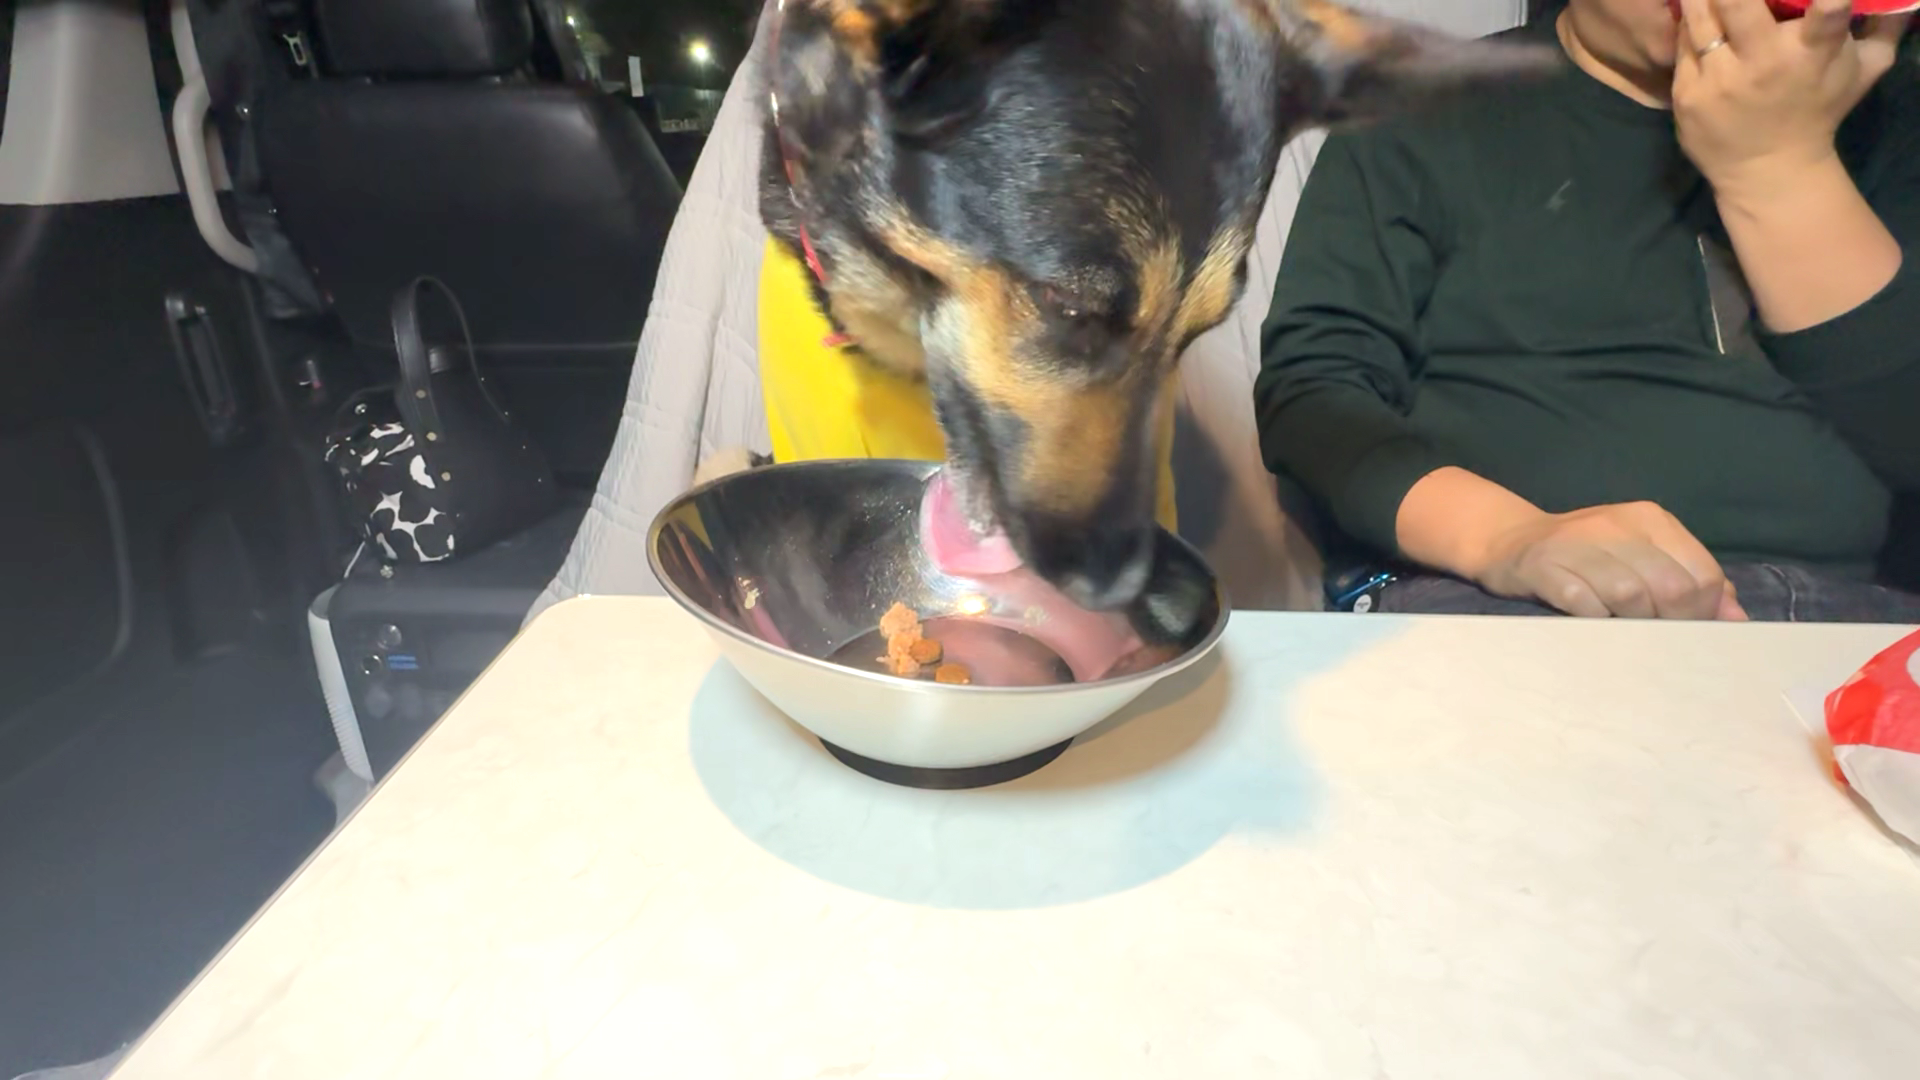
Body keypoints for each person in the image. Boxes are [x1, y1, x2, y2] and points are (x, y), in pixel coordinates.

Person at [1256, 0, 1920, 622]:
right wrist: (1508, 538)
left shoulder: (1891, 120)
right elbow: (1315, 393)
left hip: (1854, 615)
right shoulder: (1425, 106)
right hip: (1522, 601)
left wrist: (1780, 167)